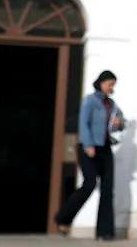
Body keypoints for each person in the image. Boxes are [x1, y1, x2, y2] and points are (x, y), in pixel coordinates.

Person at [54, 70, 124, 240]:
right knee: (89, 184)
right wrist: (88, 144)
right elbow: (83, 123)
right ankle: (63, 218)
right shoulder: (90, 101)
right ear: (101, 83)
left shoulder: (112, 104)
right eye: (110, 84)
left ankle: (105, 232)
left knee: (108, 190)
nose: (111, 88)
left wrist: (119, 124)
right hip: (89, 148)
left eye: (113, 85)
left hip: (106, 148)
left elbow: (120, 123)